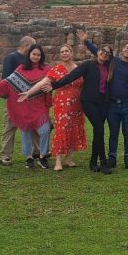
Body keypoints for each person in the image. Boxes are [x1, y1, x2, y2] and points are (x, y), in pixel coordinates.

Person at [45, 43, 116, 175]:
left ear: (110, 56)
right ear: (98, 51)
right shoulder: (88, 65)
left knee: (98, 131)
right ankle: (103, 162)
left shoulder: (110, 67)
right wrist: (54, 85)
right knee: (99, 128)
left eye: (107, 53)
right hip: (89, 102)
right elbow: (71, 76)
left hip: (103, 103)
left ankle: (93, 162)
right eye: (102, 51)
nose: (104, 53)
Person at [79, 30, 128, 169]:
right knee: (113, 132)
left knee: (127, 132)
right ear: (123, 49)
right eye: (127, 48)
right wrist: (86, 41)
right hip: (112, 104)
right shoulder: (113, 61)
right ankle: (112, 157)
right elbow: (98, 51)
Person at [0, 44, 52, 169]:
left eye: (38, 55)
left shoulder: (46, 69)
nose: (36, 57)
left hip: (39, 105)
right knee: (26, 130)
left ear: (41, 56)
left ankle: (42, 156)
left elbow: (52, 81)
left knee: (45, 130)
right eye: (34, 54)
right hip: (23, 105)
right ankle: (28, 158)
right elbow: (8, 81)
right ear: (29, 55)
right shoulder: (22, 68)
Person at [46, 42, 87, 171]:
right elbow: (46, 82)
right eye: (62, 52)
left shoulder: (78, 68)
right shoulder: (56, 69)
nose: (64, 53)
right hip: (62, 103)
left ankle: (69, 158)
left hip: (77, 104)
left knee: (75, 129)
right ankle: (58, 161)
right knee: (61, 130)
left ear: (71, 53)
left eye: (66, 51)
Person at [0, 36, 37, 166]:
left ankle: (37, 151)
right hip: (14, 100)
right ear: (26, 45)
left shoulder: (30, 59)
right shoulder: (12, 58)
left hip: (29, 99)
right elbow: (6, 78)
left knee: (34, 125)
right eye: (32, 47)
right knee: (10, 126)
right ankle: (5, 155)